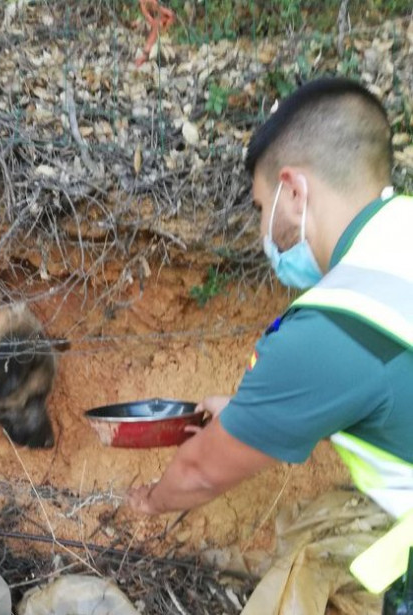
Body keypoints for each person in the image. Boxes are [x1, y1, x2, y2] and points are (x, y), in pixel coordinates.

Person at [125, 76, 413, 594]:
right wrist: (246, 409)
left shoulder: (339, 319)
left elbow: (200, 473)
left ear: (295, 191)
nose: (263, 233)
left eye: (262, 207)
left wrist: (148, 503)